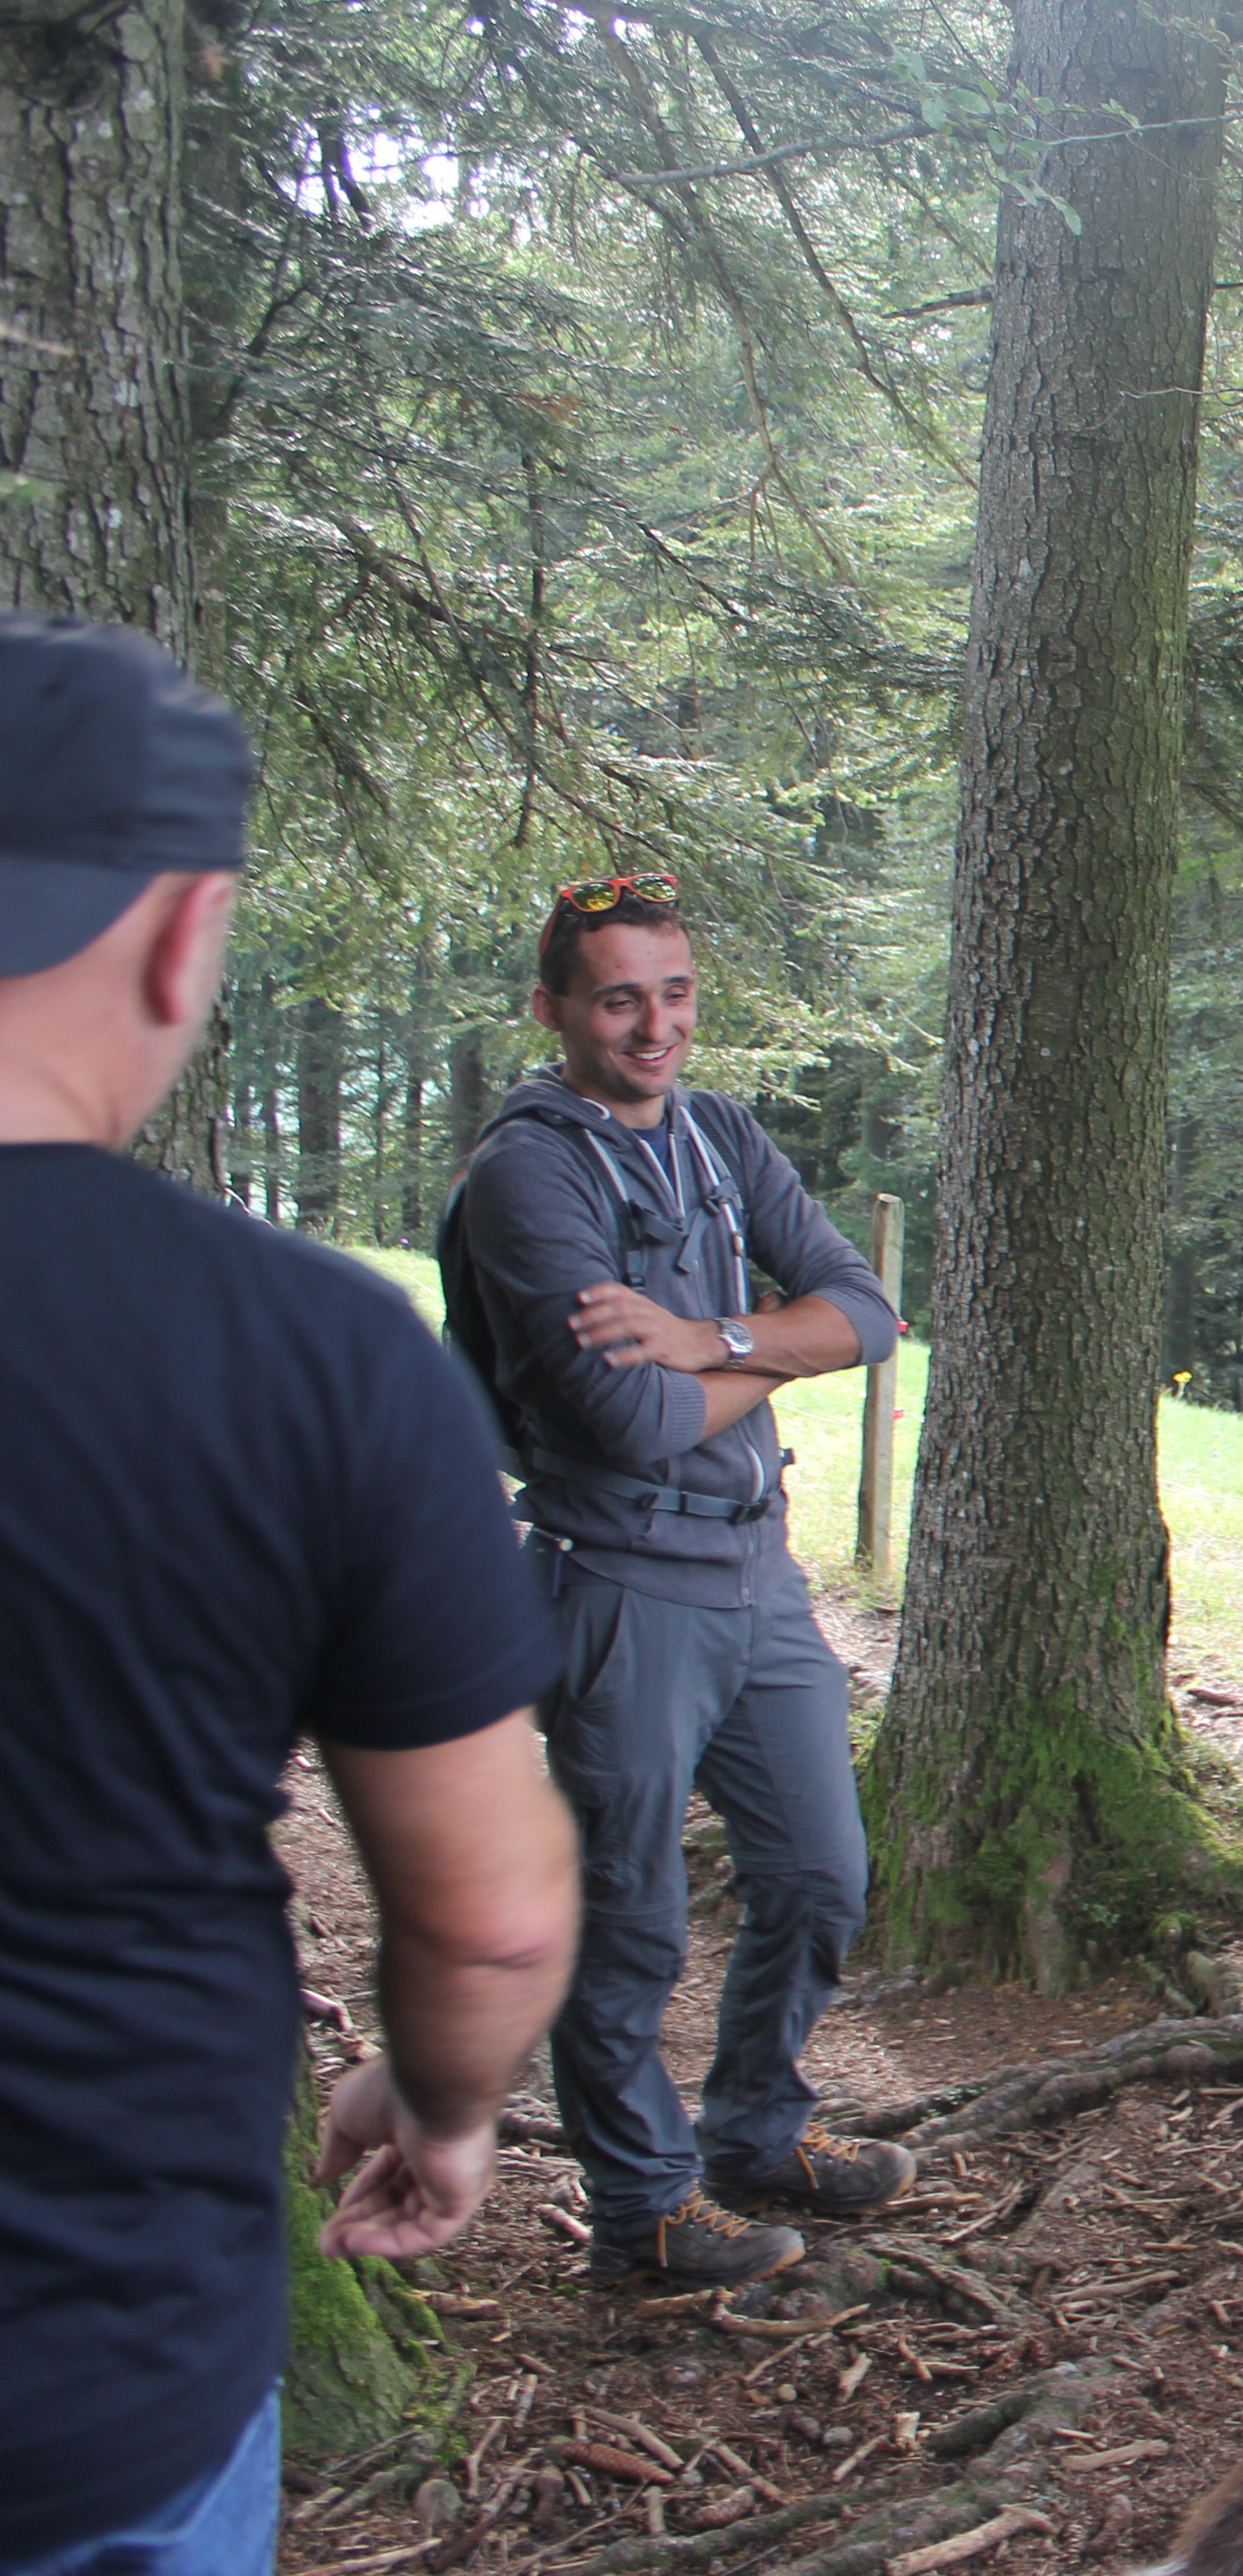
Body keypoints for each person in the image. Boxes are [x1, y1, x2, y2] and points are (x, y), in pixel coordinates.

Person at [0, 617, 580, 2575]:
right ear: (184, 938)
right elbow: (493, 1919)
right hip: (90, 2395)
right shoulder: (311, 1362)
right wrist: (438, 2103)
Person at [446, 874, 908, 2286]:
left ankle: (755, 2132)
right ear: (556, 1010)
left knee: (822, 1875)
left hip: (757, 1577)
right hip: (618, 1584)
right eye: (620, 997)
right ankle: (643, 2206)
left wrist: (705, 1332)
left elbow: (874, 1313)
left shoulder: (716, 1133)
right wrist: (776, 1346)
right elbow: (628, 1421)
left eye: (677, 992)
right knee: (630, 1909)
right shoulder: (527, 1174)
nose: (656, 1026)